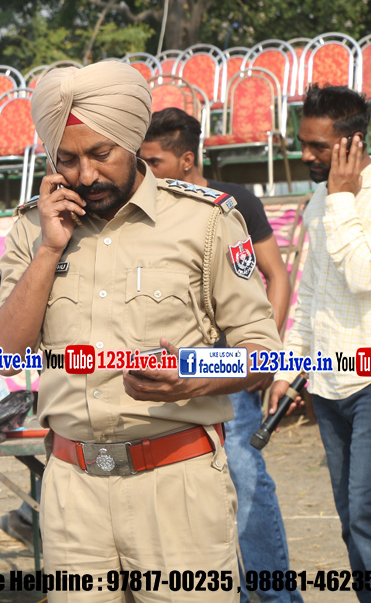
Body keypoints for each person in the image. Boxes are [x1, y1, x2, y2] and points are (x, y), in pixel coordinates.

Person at [0, 61, 283, 602]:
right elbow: (2, 354)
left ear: (132, 142)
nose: (86, 175)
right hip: (71, 492)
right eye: (67, 159)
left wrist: (192, 380)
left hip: (178, 488)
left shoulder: (205, 221)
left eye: (101, 154)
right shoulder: (35, 227)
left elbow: (263, 354)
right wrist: (49, 249)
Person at [140, 107, 300, 603]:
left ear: (187, 159)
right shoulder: (147, 210)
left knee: (247, 482)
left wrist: (265, 357)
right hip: (170, 378)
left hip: (229, 374)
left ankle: (277, 597)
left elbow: (276, 276)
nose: (146, 170)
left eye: (154, 161)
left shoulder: (235, 203)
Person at [269, 84, 371, 603]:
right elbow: (311, 295)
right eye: (303, 143)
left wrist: (341, 197)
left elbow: (364, 274)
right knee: (350, 519)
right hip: (329, 384)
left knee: (369, 514)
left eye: (318, 146)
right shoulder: (319, 198)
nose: (306, 155)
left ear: (353, 143)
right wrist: (286, 369)